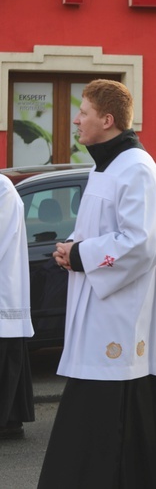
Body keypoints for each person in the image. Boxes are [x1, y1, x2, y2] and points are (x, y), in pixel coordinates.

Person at [38, 79, 156, 488]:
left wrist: (81, 255)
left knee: (114, 408)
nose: (76, 120)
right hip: (101, 306)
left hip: (121, 314)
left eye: (83, 112)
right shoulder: (105, 164)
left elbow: (140, 242)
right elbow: (106, 229)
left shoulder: (136, 168)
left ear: (107, 119)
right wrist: (73, 246)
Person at [0, 174, 35, 440]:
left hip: (5, 289)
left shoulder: (3, 190)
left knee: (7, 358)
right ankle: (9, 420)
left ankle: (8, 420)